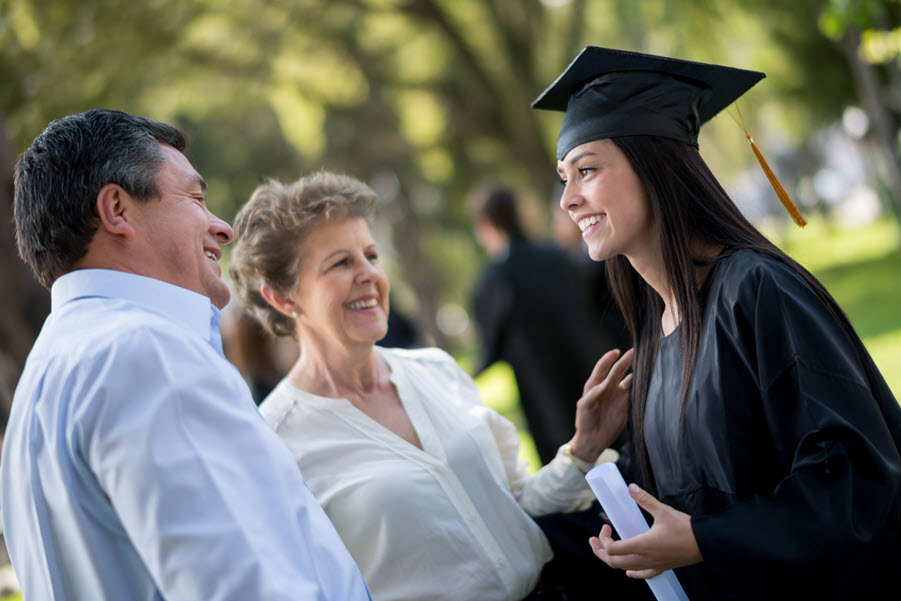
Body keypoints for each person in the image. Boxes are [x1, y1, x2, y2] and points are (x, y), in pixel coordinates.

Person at [531, 46, 901, 601]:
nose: (567, 200)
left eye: (586, 170)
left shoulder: (757, 291)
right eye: (564, 178)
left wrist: (706, 538)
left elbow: (855, 481)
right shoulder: (657, 335)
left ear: (654, 163)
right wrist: (587, 450)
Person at [0, 109, 371, 601]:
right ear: (117, 210)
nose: (223, 229)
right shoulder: (143, 353)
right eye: (196, 199)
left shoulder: (42, 382)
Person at [228, 171, 647, 601]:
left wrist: (583, 450)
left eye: (371, 255)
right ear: (283, 297)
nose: (369, 274)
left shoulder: (436, 369)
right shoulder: (274, 442)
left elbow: (515, 506)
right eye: (341, 262)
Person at [469, 183, 620, 465]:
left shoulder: (492, 282)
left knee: (576, 471)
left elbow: (492, 348)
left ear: (486, 224)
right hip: (594, 373)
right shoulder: (559, 257)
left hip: (546, 398)